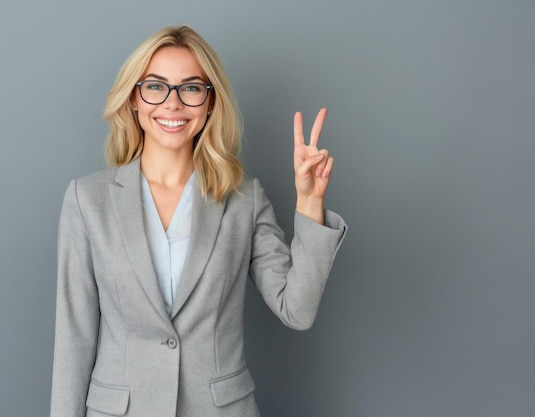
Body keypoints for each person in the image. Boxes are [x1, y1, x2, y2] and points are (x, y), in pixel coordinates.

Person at [50, 25, 346, 417]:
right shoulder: (87, 200)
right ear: (134, 100)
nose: (172, 104)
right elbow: (74, 343)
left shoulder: (245, 199)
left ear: (210, 103)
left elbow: (297, 309)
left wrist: (310, 202)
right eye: (155, 86)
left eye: (191, 88)